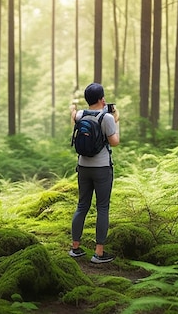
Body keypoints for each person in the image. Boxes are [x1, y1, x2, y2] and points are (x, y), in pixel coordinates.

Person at [68, 83, 120, 264]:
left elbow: (74, 119)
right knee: (102, 208)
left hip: (83, 167)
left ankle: (75, 248)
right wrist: (116, 119)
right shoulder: (107, 118)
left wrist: (72, 110)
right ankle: (99, 253)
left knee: (82, 205)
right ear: (102, 99)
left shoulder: (81, 115)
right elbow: (114, 142)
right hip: (102, 169)